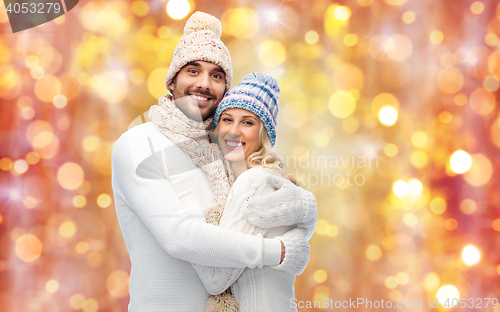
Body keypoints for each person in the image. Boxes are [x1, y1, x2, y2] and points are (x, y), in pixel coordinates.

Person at [111, 12, 313, 311]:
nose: (204, 84)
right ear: (173, 79)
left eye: (216, 76)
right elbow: (178, 237)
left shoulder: (225, 152)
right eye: (193, 71)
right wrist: (280, 252)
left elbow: (258, 210)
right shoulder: (139, 143)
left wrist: (304, 206)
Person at [191, 73, 317, 312]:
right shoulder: (260, 180)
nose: (233, 131)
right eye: (227, 120)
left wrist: (190, 226)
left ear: (263, 134)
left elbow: (215, 279)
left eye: (247, 122)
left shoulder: (254, 181)